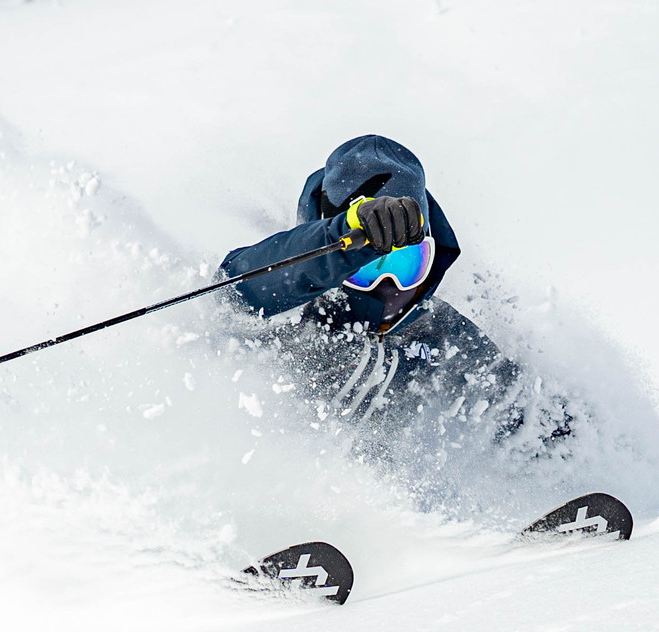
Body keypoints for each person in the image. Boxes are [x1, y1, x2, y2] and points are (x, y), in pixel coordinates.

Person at [220, 135, 572, 462]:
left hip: (395, 510)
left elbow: (524, 414)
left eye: (407, 264)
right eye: (368, 267)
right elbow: (238, 287)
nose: (389, 286)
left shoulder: (442, 337)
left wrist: (578, 445)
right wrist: (341, 235)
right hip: (267, 477)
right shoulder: (291, 309)